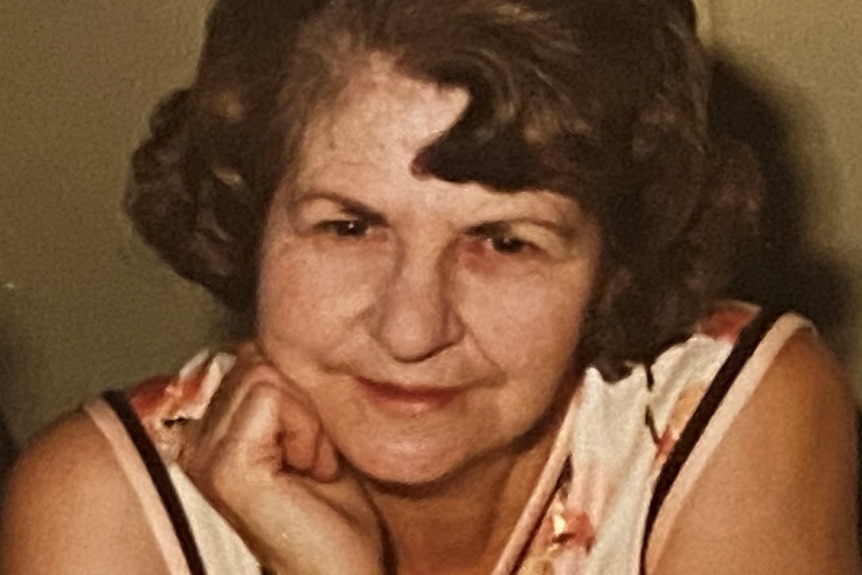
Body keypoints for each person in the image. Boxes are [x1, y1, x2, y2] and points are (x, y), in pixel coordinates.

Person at [1, 0, 858, 573]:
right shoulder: (101, 514)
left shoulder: (736, 414)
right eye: (348, 225)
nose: (413, 329)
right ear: (249, 216)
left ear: (614, 263)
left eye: (503, 240)